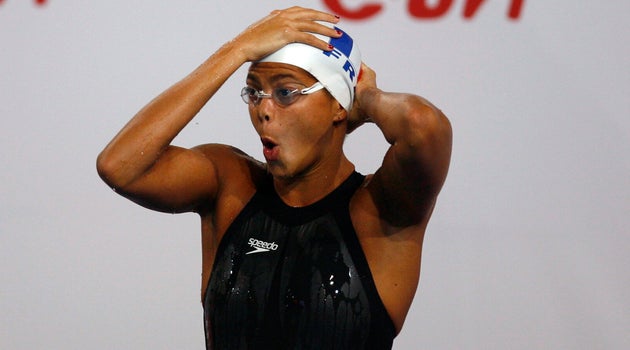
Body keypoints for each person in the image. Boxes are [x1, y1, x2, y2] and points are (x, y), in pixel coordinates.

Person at [97, 6, 451, 350]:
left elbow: (422, 125)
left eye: (286, 92)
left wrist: (366, 96)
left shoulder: (379, 211)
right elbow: (122, 166)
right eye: (253, 92)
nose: (264, 109)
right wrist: (236, 50)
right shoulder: (230, 184)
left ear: (339, 105)